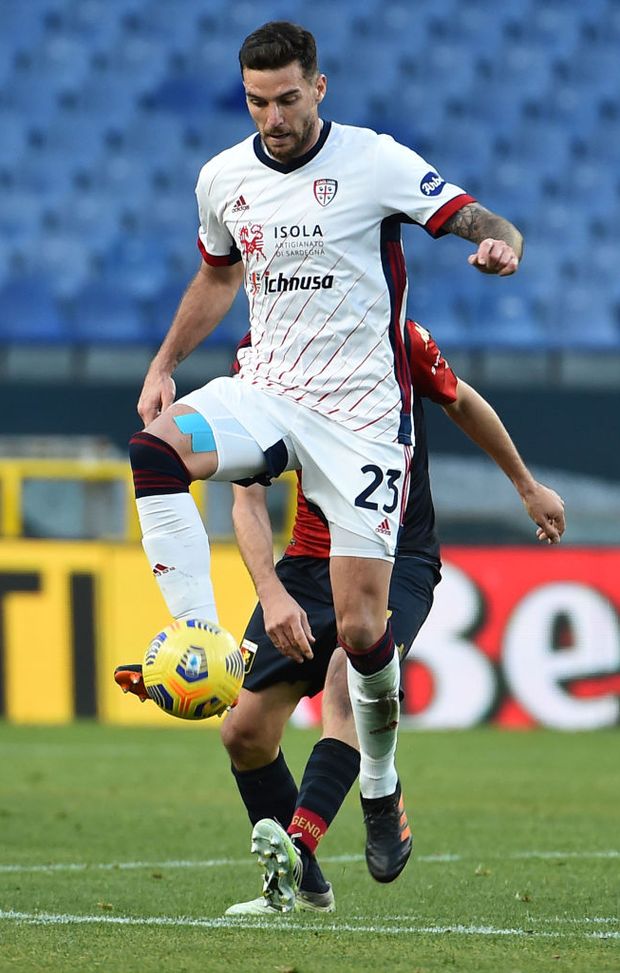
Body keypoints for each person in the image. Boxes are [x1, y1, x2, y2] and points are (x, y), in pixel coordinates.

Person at [127, 20, 523, 899]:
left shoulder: (374, 161)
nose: (273, 117)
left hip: (363, 419)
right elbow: (219, 277)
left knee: (358, 633)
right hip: (267, 388)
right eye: (257, 102)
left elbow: (472, 215)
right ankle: (198, 634)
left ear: (320, 87)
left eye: (288, 98)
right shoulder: (223, 179)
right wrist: (163, 364)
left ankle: (378, 782)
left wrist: (500, 243)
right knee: (154, 451)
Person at [117, 320, 565, 914]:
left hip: (397, 555)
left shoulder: (392, 332)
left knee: (344, 682)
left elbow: (461, 399)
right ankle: (304, 890)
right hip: (306, 563)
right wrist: (272, 592)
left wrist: (526, 484)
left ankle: (316, 836)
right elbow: (248, 498)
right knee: (244, 733)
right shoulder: (264, 351)